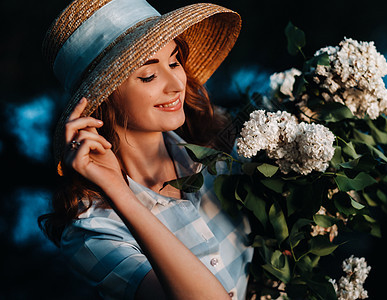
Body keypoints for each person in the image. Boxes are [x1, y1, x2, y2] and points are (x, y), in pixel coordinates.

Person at [39, 0, 253, 299]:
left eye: (175, 62)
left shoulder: (217, 147)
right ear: (104, 97)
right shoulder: (93, 230)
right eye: (149, 76)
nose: (176, 84)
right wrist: (119, 191)